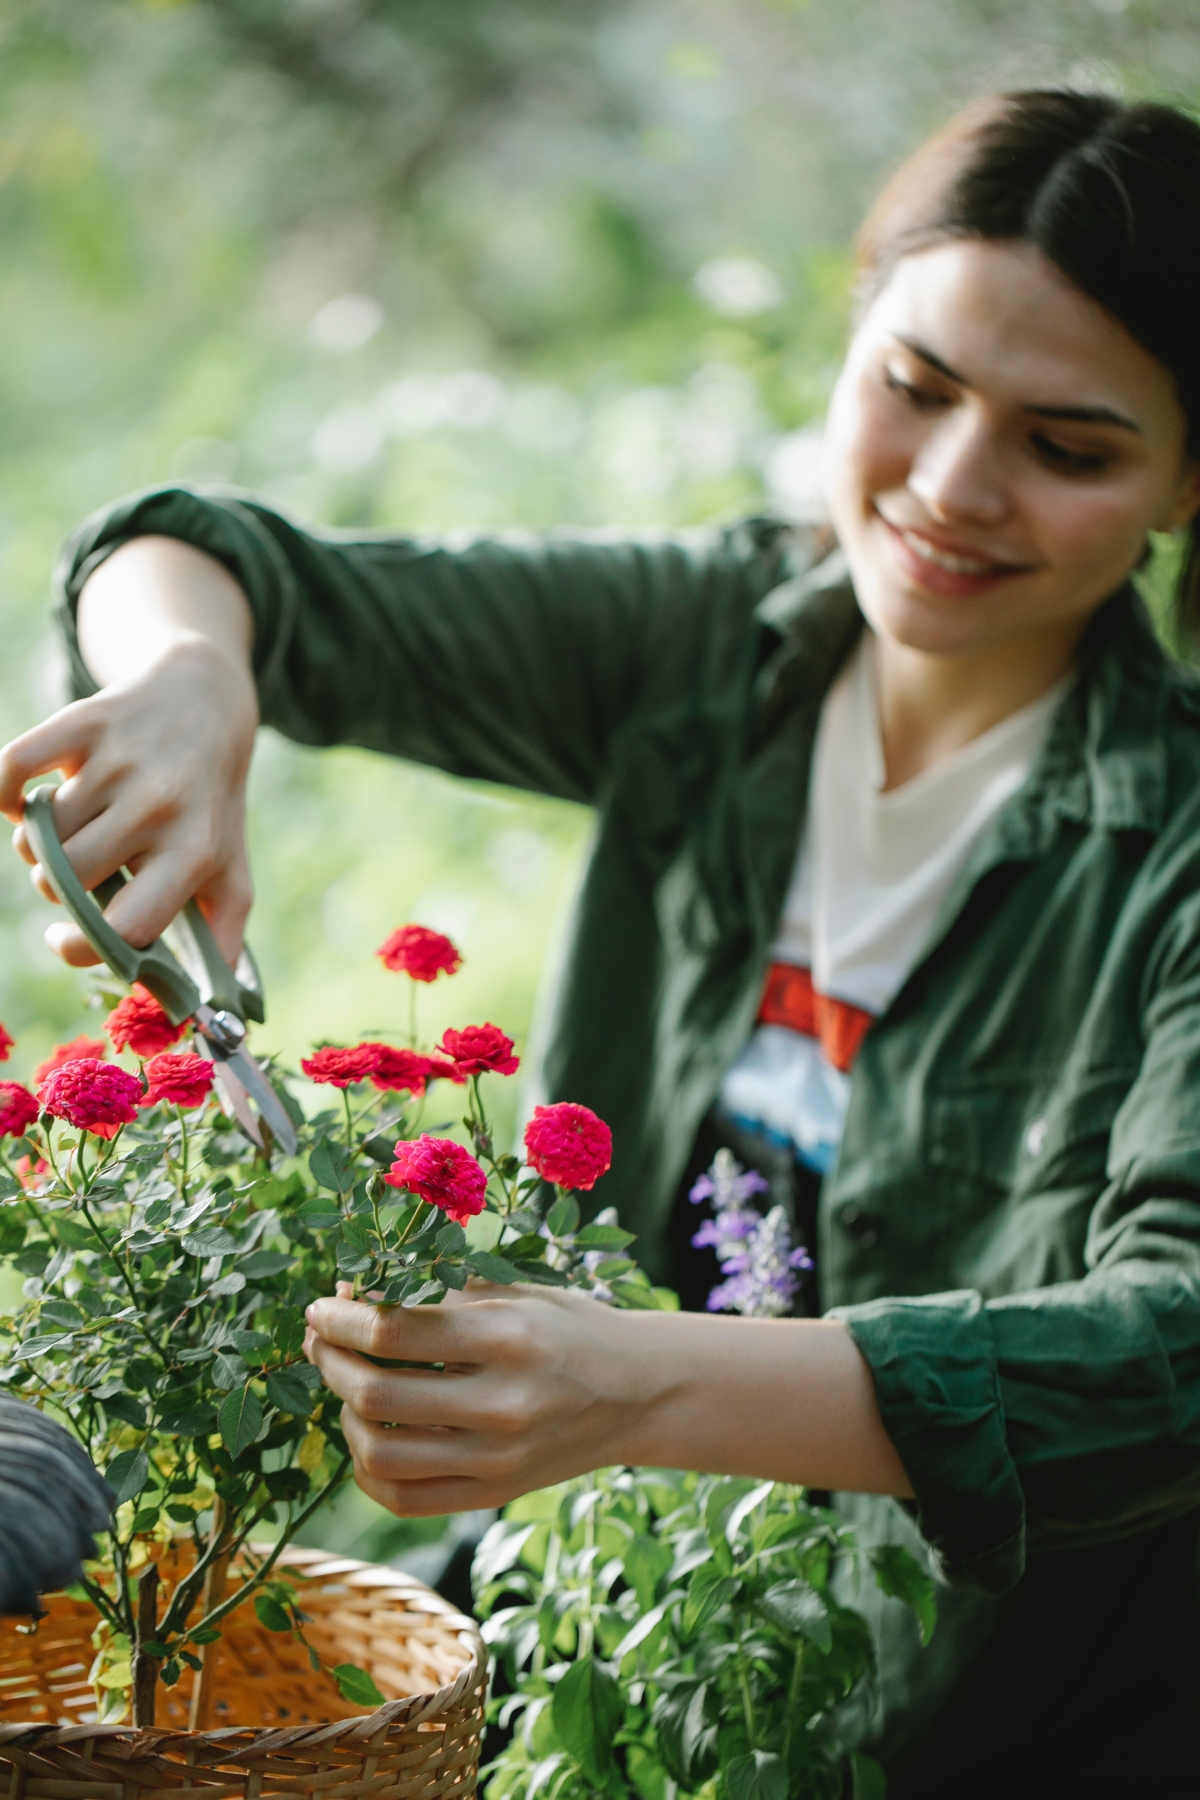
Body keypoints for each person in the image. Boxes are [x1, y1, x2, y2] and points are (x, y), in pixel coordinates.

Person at [3, 87, 1200, 1793]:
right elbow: (197, 553)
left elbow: (1169, 1351)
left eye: (1066, 448)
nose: (948, 490)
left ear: (1183, 482)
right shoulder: (712, 653)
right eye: (912, 390)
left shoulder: (1173, 847)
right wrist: (194, 687)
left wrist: (636, 1388)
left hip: (992, 1716)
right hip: (580, 1621)